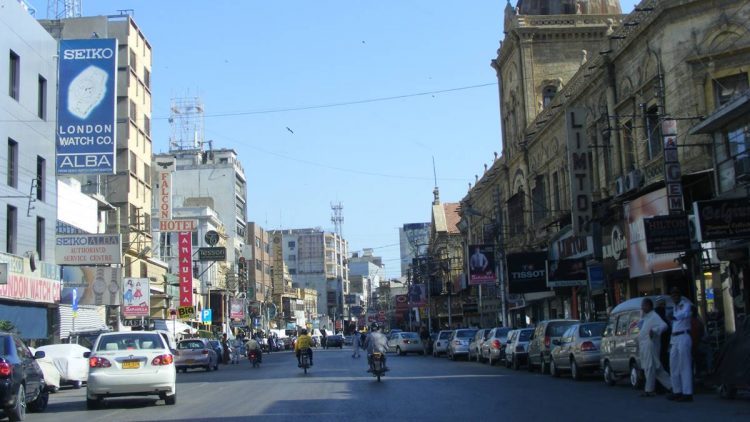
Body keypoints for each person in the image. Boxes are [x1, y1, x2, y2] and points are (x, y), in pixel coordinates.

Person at [638, 298, 672, 397]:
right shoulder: (645, 317)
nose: (642, 307)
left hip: (650, 345)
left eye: (644, 305)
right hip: (644, 346)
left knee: (650, 367)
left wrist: (655, 330)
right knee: (657, 369)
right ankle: (672, 386)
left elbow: (664, 326)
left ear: (649, 306)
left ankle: (649, 390)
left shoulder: (654, 316)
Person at [668, 287, 694, 402]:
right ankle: (677, 391)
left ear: (680, 295)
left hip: (684, 336)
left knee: (685, 365)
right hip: (675, 338)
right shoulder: (674, 307)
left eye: (676, 295)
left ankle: (687, 393)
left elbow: (685, 314)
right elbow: (674, 325)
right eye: (673, 295)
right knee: (673, 365)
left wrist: (674, 317)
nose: (674, 297)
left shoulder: (686, 304)